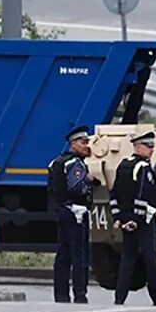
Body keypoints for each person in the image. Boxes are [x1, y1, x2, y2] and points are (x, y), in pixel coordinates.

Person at [111, 130, 156, 306]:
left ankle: (120, 297)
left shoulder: (123, 165)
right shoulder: (142, 167)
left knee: (127, 259)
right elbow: (143, 193)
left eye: (153, 147)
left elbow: (114, 193)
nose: (151, 150)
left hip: (127, 220)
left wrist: (118, 217)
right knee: (151, 259)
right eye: (148, 146)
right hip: (144, 221)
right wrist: (136, 218)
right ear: (138, 147)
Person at [48, 125, 97, 303]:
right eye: (83, 142)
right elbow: (77, 187)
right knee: (79, 254)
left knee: (63, 254)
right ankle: (80, 294)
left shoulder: (56, 162)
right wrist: (88, 182)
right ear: (74, 144)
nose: (87, 146)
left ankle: (60, 294)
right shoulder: (75, 163)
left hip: (62, 210)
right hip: (77, 211)